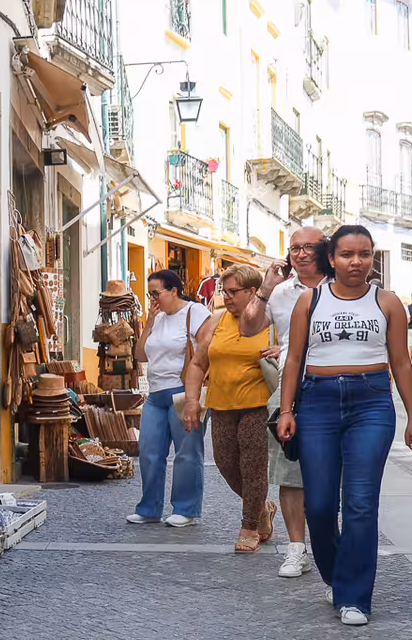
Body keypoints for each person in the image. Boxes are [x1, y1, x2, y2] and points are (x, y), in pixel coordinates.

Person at [276, 225, 412, 626]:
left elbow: (400, 362)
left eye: (363, 254)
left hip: (371, 403)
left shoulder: (388, 302)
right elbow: (293, 359)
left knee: (360, 503)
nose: (355, 261)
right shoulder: (310, 300)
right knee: (320, 505)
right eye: (346, 254)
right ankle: (336, 576)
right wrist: (286, 409)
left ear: (371, 257)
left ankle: (355, 596)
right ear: (332, 258)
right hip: (318, 403)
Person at [240, 227, 326, 578]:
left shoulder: (342, 289)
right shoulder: (280, 293)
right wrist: (264, 288)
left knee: (330, 477)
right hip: (291, 390)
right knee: (290, 476)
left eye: (308, 247)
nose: (301, 253)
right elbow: (248, 327)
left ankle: (329, 547)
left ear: (325, 250)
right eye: (294, 248)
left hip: (333, 384)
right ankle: (296, 549)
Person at [181, 264, 273, 552]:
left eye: (233, 291)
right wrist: (193, 401)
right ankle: (262, 508)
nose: (227, 296)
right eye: (225, 291)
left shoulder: (270, 321)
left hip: (257, 404)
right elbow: (197, 364)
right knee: (226, 463)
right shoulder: (216, 320)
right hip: (221, 405)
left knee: (253, 465)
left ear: (252, 292)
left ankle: (249, 527)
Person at [128, 269, 212, 527]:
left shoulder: (194, 312)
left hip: (182, 391)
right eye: (149, 293)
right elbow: (140, 355)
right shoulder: (158, 317)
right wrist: (149, 322)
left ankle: (185, 509)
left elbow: (206, 351)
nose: (152, 299)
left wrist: (194, 397)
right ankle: (149, 508)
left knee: (187, 453)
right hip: (155, 393)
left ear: (173, 290)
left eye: (156, 293)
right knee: (149, 452)